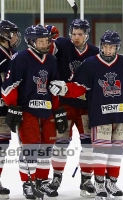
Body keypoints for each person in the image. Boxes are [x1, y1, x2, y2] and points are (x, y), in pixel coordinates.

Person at [49, 30, 123, 200]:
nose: (108, 50)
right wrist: (64, 88)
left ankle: (111, 182)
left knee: (117, 149)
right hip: (99, 114)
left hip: (120, 114)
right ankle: (99, 182)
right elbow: (79, 87)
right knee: (100, 149)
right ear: (101, 46)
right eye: (105, 47)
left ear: (117, 47)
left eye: (112, 47)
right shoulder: (90, 64)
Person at [1, 24, 67, 199]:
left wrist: (58, 109)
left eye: (47, 40)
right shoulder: (20, 58)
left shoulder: (52, 60)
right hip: (27, 111)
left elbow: (53, 87)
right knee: (30, 148)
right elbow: (9, 86)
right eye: (41, 41)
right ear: (31, 42)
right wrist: (13, 107)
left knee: (46, 148)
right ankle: (28, 183)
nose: (46, 43)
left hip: (47, 111)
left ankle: (42, 181)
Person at [48, 19, 99, 197]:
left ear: (86, 35)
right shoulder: (62, 44)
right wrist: (48, 36)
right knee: (61, 143)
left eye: (80, 34)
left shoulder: (94, 53)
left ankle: (86, 180)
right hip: (65, 105)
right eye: (74, 33)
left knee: (88, 145)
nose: (76, 37)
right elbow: (47, 49)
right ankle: (56, 178)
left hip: (85, 106)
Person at [0, 19, 21, 199]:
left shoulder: (12, 53)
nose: (15, 37)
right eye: (13, 33)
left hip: (6, 110)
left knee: (3, 146)